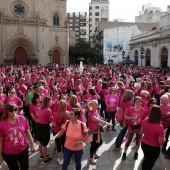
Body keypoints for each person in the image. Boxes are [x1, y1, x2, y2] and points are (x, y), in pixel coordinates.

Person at [0, 103, 34, 170]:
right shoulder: (2, 124)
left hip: (23, 150)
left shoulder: (22, 119)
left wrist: (32, 143)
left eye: (15, 109)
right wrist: (0, 155)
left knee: (25, 168)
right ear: (6, 111)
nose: (14, 111)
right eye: (11, 110)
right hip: (9, 153)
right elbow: (0, 140)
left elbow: (27, 131)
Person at [139, 105, 165, 170]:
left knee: (146, 159)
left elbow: (140, 133)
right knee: (150, 163)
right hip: (153, 148)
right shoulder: (160, 127)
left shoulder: (145, 121)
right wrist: (164, 135)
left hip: (144, 144)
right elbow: (161, 142)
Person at [87, 100, 112, 165]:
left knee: (99, 142)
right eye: (95, 105)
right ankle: (91, 157)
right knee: (93, 145)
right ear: (91, 106)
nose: (97, 106)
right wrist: (106, 123)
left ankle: (94, 152)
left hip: (97, 130)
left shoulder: (96, 111)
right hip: (92, 132)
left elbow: (98, 118)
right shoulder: (90, 113)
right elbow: (97, 120)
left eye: (97, 104)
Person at [122, 96, 145, 160]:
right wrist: (132, 118)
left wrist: (142, 129)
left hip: (139, 127)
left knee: (138, 140)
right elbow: (126, 117)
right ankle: (124, 152)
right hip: (131, 127)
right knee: (129, 140)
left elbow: (144, 121)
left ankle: (136, 152)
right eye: (136, 102)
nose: (137, 103)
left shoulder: (143, 110)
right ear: (134, 102)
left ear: (141, 102)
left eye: (139, 102)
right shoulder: (131, 109)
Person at [52, 99, 70, 165]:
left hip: (56, 131)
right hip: (64, 130)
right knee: (64, 144)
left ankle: (61, 159)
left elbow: (53, 124)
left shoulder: (57, 114)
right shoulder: (68, 113)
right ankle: (66, 158)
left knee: (58, 145)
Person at [36, 96, 53, 164]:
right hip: (44, 127)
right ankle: (46, 159)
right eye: (50, 101)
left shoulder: (41, 108)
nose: (51, 102)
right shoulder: (48, 110)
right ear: (48, 102)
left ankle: (42, 155)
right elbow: (50, 120)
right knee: (44, 144)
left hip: (39, 126)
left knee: (41, 142)